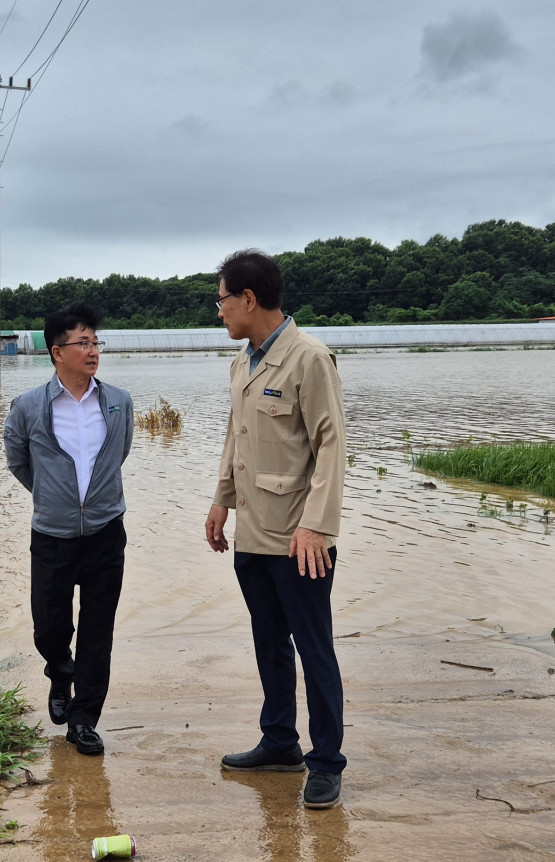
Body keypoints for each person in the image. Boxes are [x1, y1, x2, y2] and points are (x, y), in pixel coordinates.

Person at [203, 249, 348, 809]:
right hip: (253, 533)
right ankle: (280, 742)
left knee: (314, 649)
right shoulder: (243, 363)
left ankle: (326, 761)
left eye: (221, 300)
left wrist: (317, 527)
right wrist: (221, 503)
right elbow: (234, 440)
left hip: (299, 540)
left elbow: (332, 447)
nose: (219, 312)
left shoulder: (309, 358)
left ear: (248, 298)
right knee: (269, 642)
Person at [4, 302, 134, 756]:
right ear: (57, 351)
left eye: (95, 341)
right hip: (52, 535)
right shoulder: (28, 406)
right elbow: (18, 460)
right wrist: (55, 499)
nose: (92, 349)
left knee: (99, 630)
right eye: (83, 342)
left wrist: (93, 500)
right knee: (49, 626)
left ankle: (83, 719)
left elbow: (119, 455)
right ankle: (60, 672)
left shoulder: (118, 402)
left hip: (105, 533)